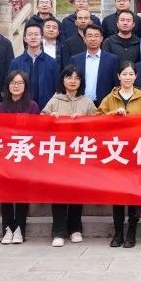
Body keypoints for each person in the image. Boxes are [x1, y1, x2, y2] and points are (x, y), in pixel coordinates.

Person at [97, 61, 141, 248]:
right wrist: (113, 114)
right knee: (118, 195)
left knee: (133, 194)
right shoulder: (110, 97)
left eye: (131, 74)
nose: (128, 77)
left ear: (136, 76)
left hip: (135, 150)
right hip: (116, 151)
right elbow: (97, 118)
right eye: (124, 74)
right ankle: (118, 232)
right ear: (118, 76)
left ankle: (131, 232)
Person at [42, 66, 96, 247]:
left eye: (76, 78)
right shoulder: (54, 100)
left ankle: (75, 229)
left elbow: (98, 126)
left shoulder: (87, 102)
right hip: (59, 154)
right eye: (69, 77)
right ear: (62, 80)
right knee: (58, 193)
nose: (73, 81)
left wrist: (85, 121)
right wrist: (50, 118)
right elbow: (40, 122)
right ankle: (58, 231)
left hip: (79, 154)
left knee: (76, 192)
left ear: (81, 82)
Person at [0, 71, 41, 245]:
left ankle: (20, 228)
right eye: (13, 83)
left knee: (22, 193)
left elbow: (36, 131)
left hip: (24, 155)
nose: (16, 86)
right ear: (7, 85)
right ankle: (7, 228)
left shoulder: (32, 106)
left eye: (20, 83)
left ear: (25, 86)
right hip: (5, 156)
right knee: (5, 194)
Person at [8, 24, 59, 110]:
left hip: (46, 108)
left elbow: (57, 88)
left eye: (36, 34)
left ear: (42, 38)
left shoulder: (52, 62)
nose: (33, 37)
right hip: (21, 109)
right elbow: (10, 86)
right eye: (30, 34)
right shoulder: (16, 62)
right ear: (25, 38)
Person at [70, 24, 120, 107]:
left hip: (104, 105)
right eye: (89, 36)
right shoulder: (75, 59)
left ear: (101, 39)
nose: (93, 39)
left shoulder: (112, 60)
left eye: (96, 36)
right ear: (84, 39)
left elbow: (116, 85)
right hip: (79, 104)